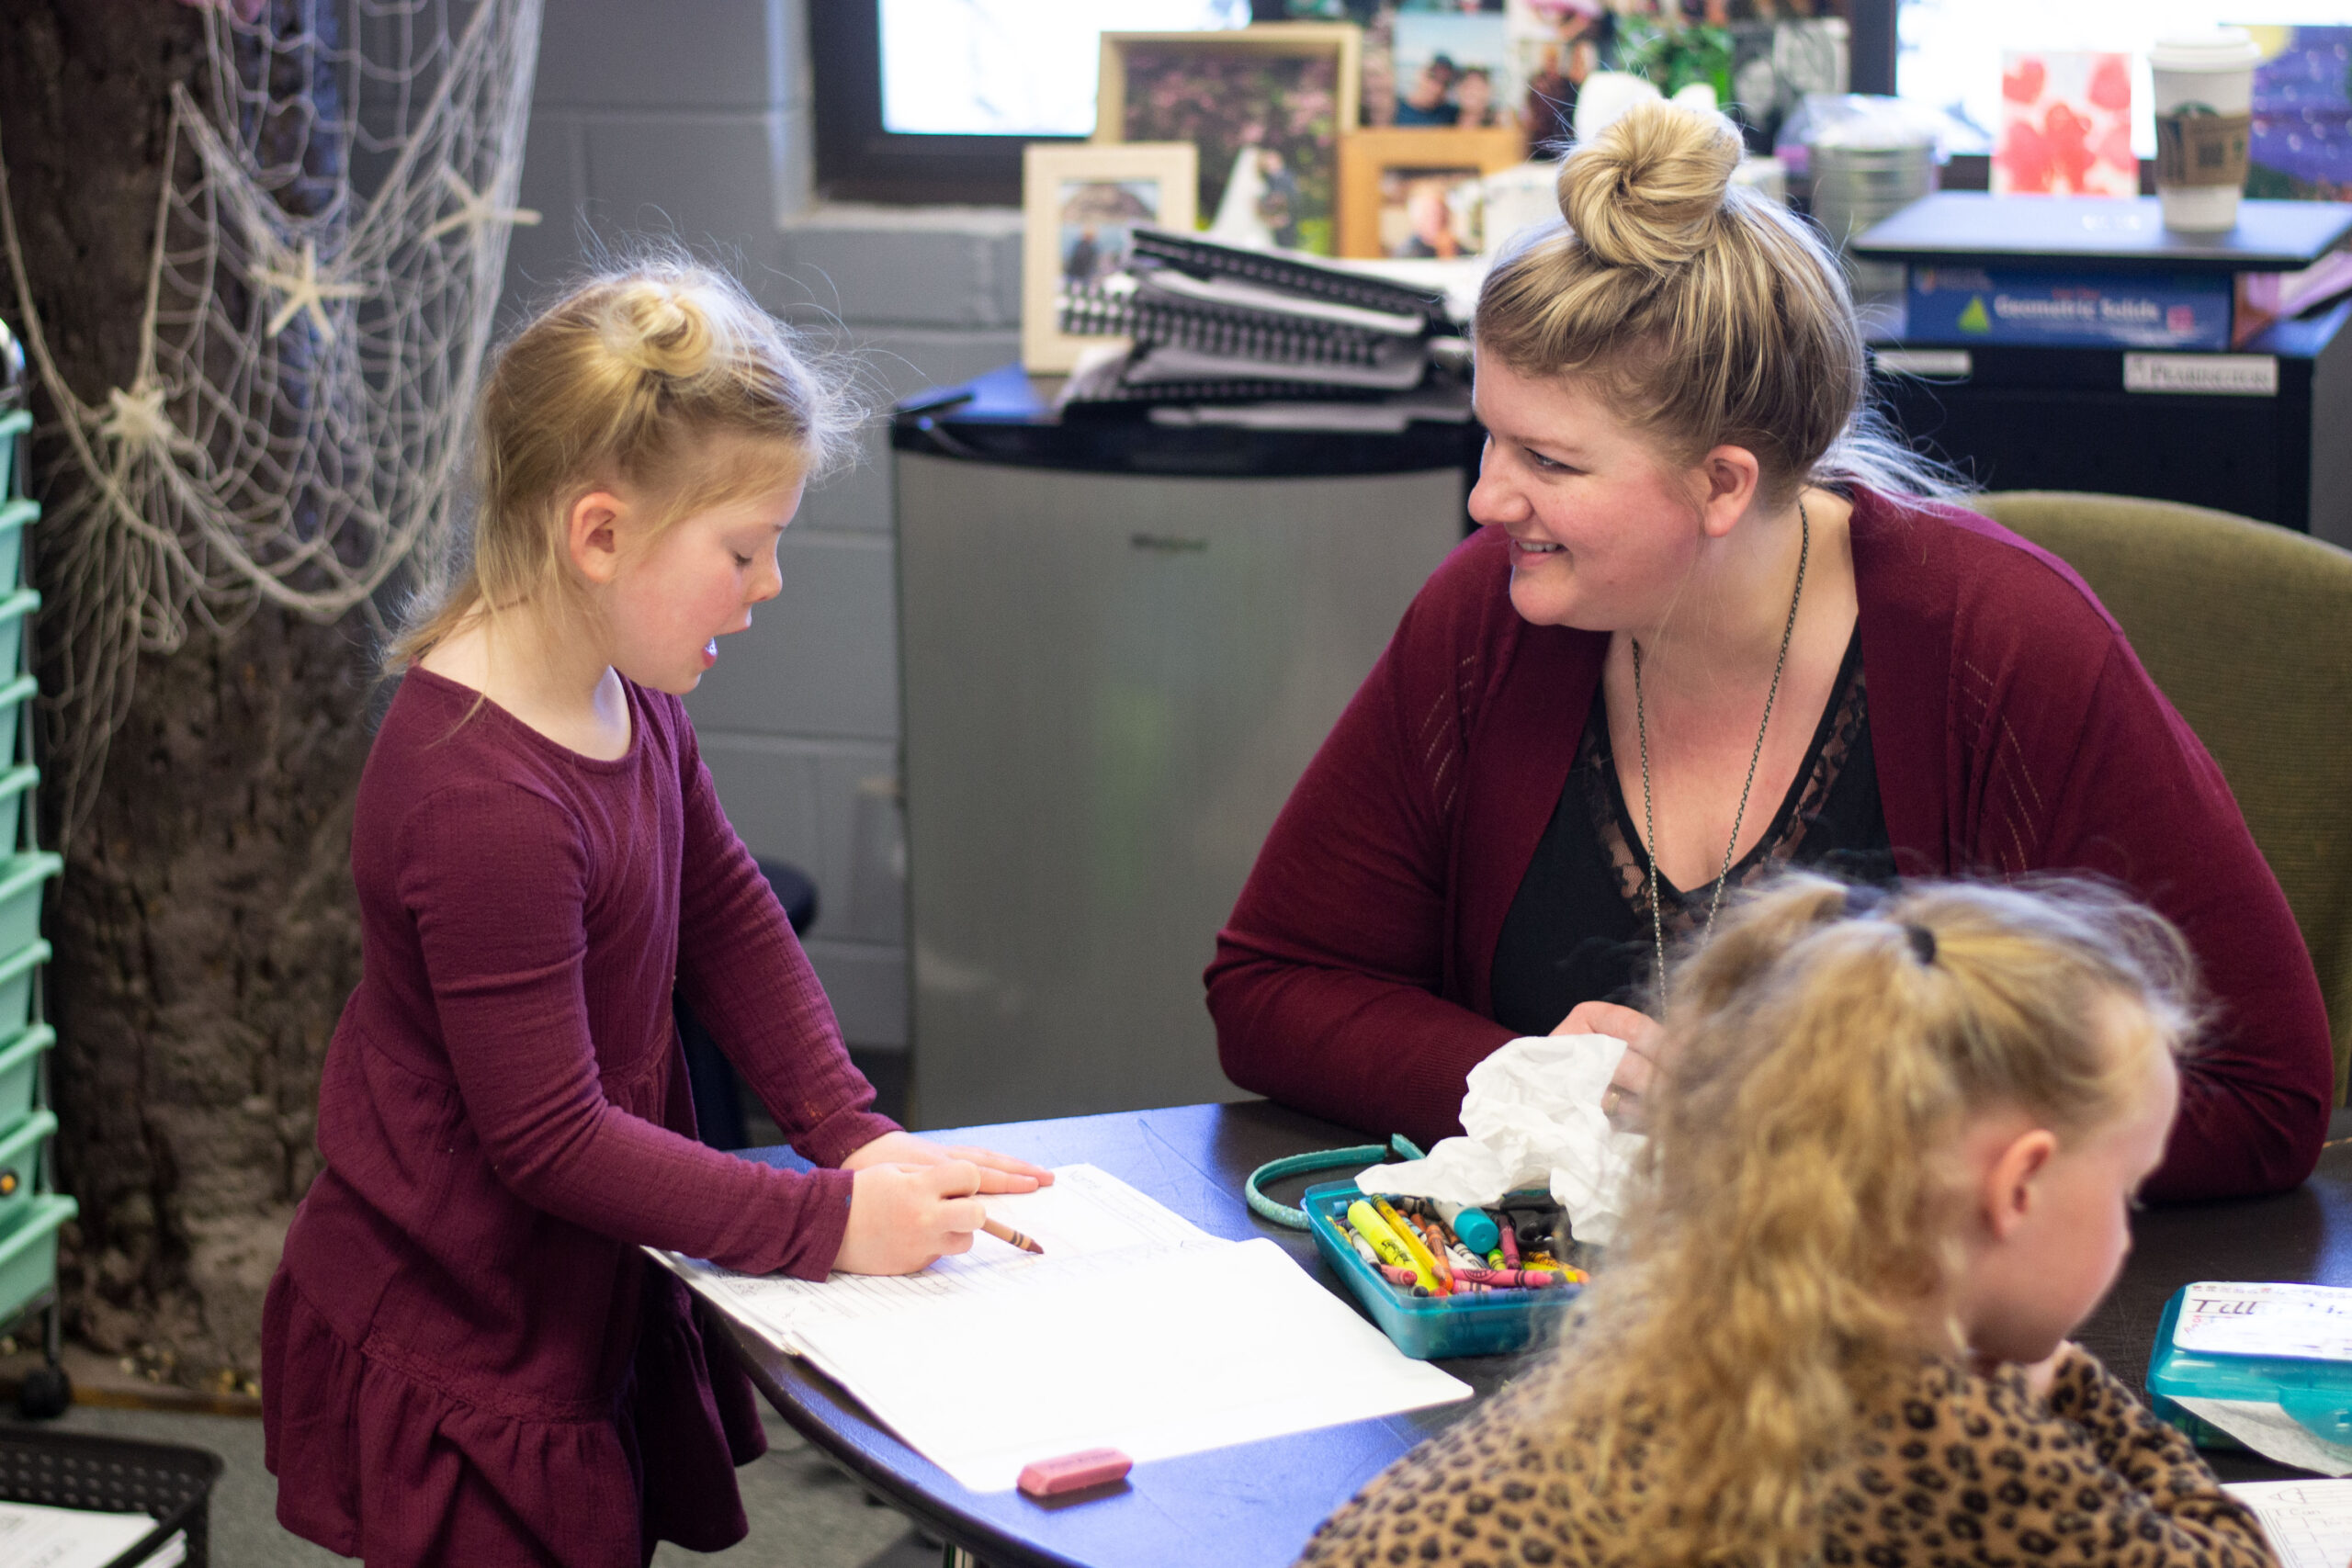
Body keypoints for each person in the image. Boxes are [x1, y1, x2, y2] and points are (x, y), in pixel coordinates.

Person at [1205, 100, 2331, 1201]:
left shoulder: (2004, 651)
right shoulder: (1488, 621)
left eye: (1548, 462)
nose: (1487, 497)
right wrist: (1525, 1074)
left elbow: (2258, 1093)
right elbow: (1272, 985)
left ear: (1721, 484)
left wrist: (1849, 1121)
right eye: (1488, 433)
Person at [261, 260, 1051, 1567]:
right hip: (471, 1307)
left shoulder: (622, 684)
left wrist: (847, 1130)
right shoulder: (485, 797)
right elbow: (552, 1137)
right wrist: (825, 1223)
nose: (773, 580)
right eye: (745, 547)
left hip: (574, 1273)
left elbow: (725, 906)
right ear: (599, 533)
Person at [1295, 873, 2281, 1568]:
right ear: (2017, 1189)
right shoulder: (1945, 1430)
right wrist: (2060, 1379)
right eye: (2124, 1191)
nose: (2122, 1231)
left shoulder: (1658, 1335)